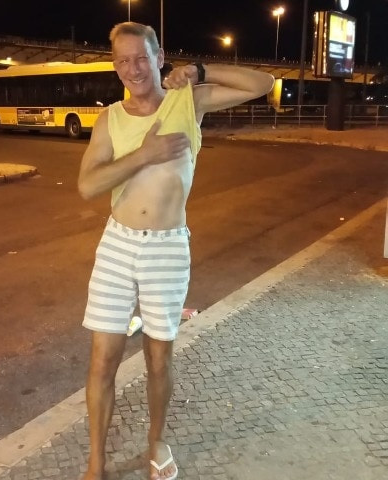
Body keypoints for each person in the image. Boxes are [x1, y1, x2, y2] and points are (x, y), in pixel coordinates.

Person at [77, 22, 274, 480]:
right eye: (123, 61)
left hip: (167, 248)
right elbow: (88, 185)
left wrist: (200, 70)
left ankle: (156, 441)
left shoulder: (188, 102)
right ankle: (95, 462)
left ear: (159, 57)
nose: (133, 69)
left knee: (158, 358)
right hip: (118, 245)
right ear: (115, 66)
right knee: (102, 360)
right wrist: (143, 155)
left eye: (141, 58)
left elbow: (262, 84)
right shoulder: (110, 119)